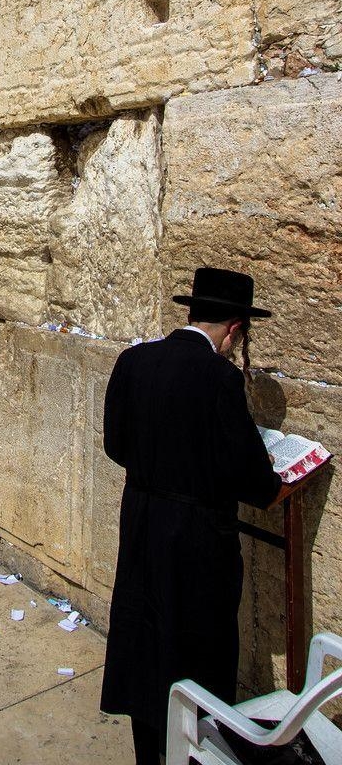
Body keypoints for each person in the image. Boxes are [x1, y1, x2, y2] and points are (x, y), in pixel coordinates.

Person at [100, 268, 282, 764]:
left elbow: (116, 444)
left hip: (141, 522)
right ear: (235, 328)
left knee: (144, 640)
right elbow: (250, 475)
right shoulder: (219, 378)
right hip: (197, 536)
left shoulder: (133, 361)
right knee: (195, 646)